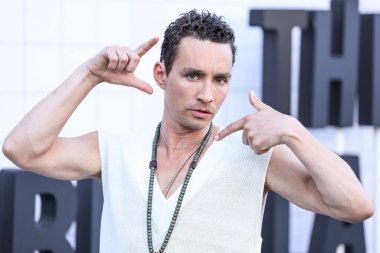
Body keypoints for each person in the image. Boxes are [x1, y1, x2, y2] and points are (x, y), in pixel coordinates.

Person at [2, 9, 373, 253]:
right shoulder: (116, 150)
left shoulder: (255, 157)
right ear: (162, 75)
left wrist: (295, 132)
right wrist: (89, 75)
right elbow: (22, 148)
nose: (208, 94)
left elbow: (356, 206)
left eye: (221, 79)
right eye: (193, 75)